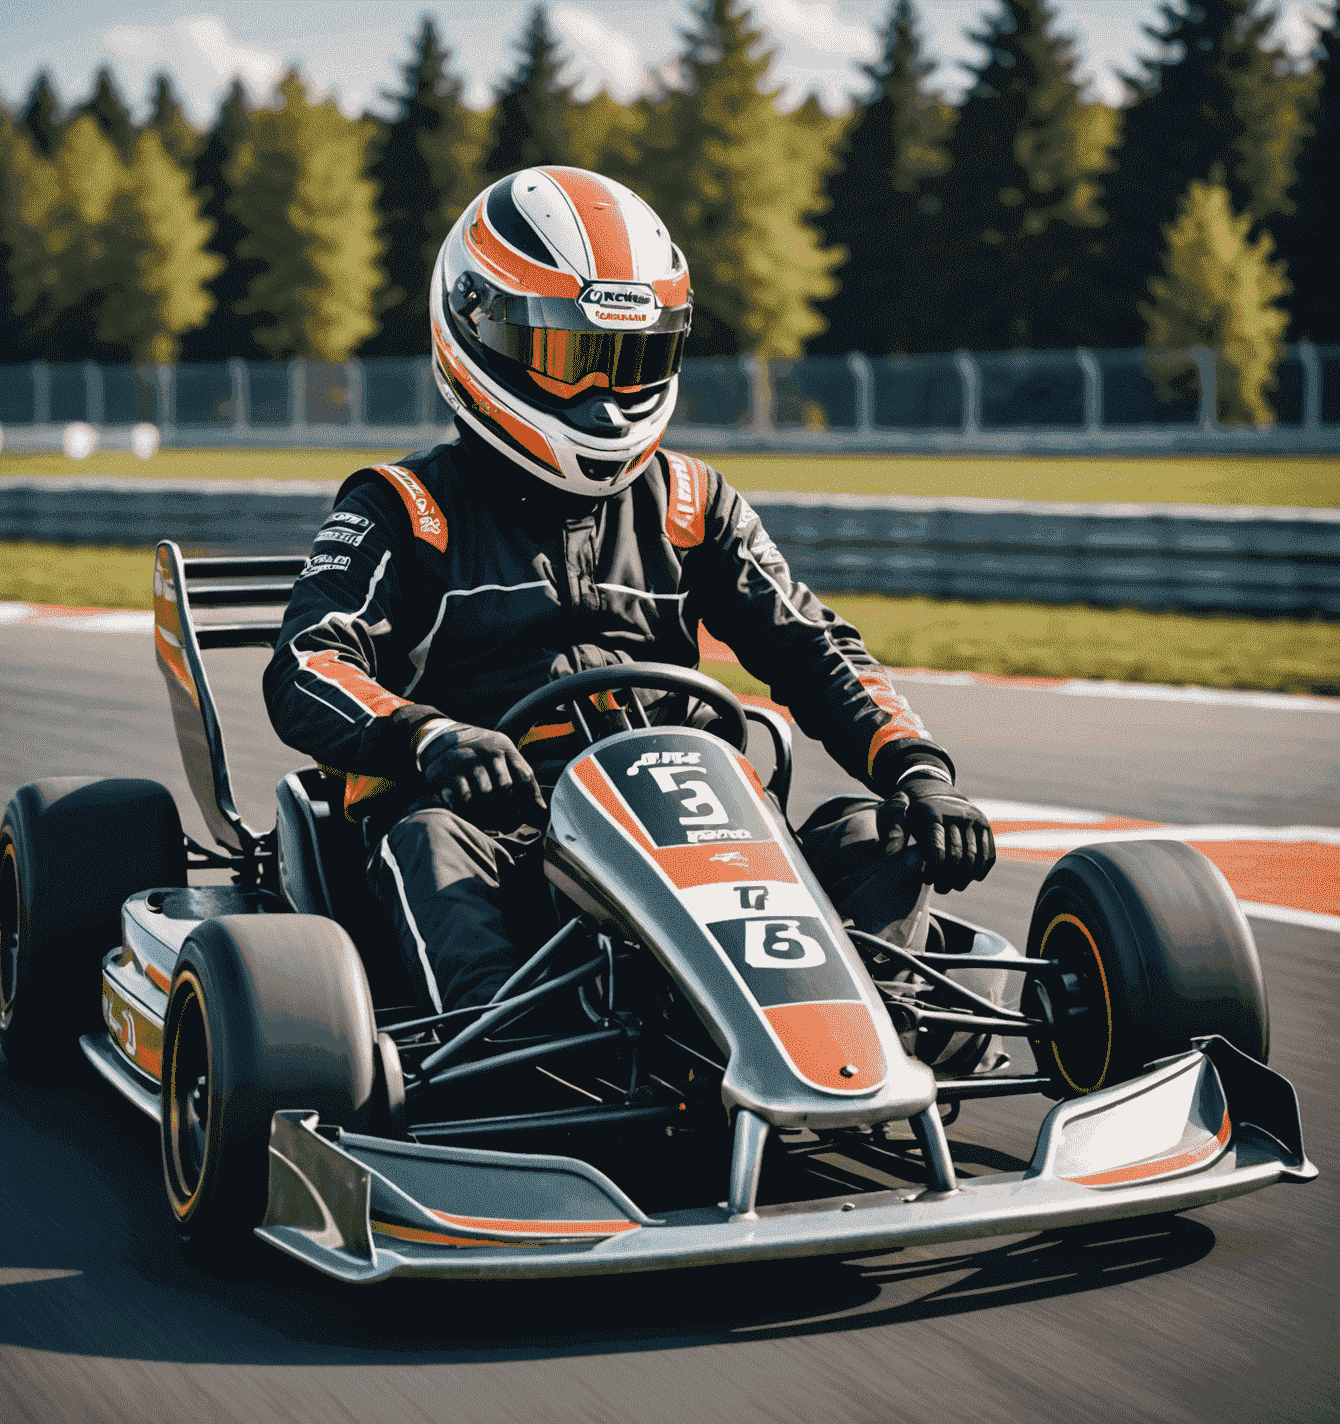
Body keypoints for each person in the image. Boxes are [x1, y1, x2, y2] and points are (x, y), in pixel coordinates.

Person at [265, 166, 995, 1020]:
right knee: (429, 843)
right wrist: (430, 739)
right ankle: (496, 1060)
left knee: (874, 834)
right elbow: (307, 664)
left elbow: (811, 646)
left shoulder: (690, 502)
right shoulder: (408, 510)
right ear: (479, 330)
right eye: (571, 357)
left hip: (695, 826)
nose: (604, 397)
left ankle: (869, 1027)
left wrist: (920, 770)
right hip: (504, 832)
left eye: (630, 358)